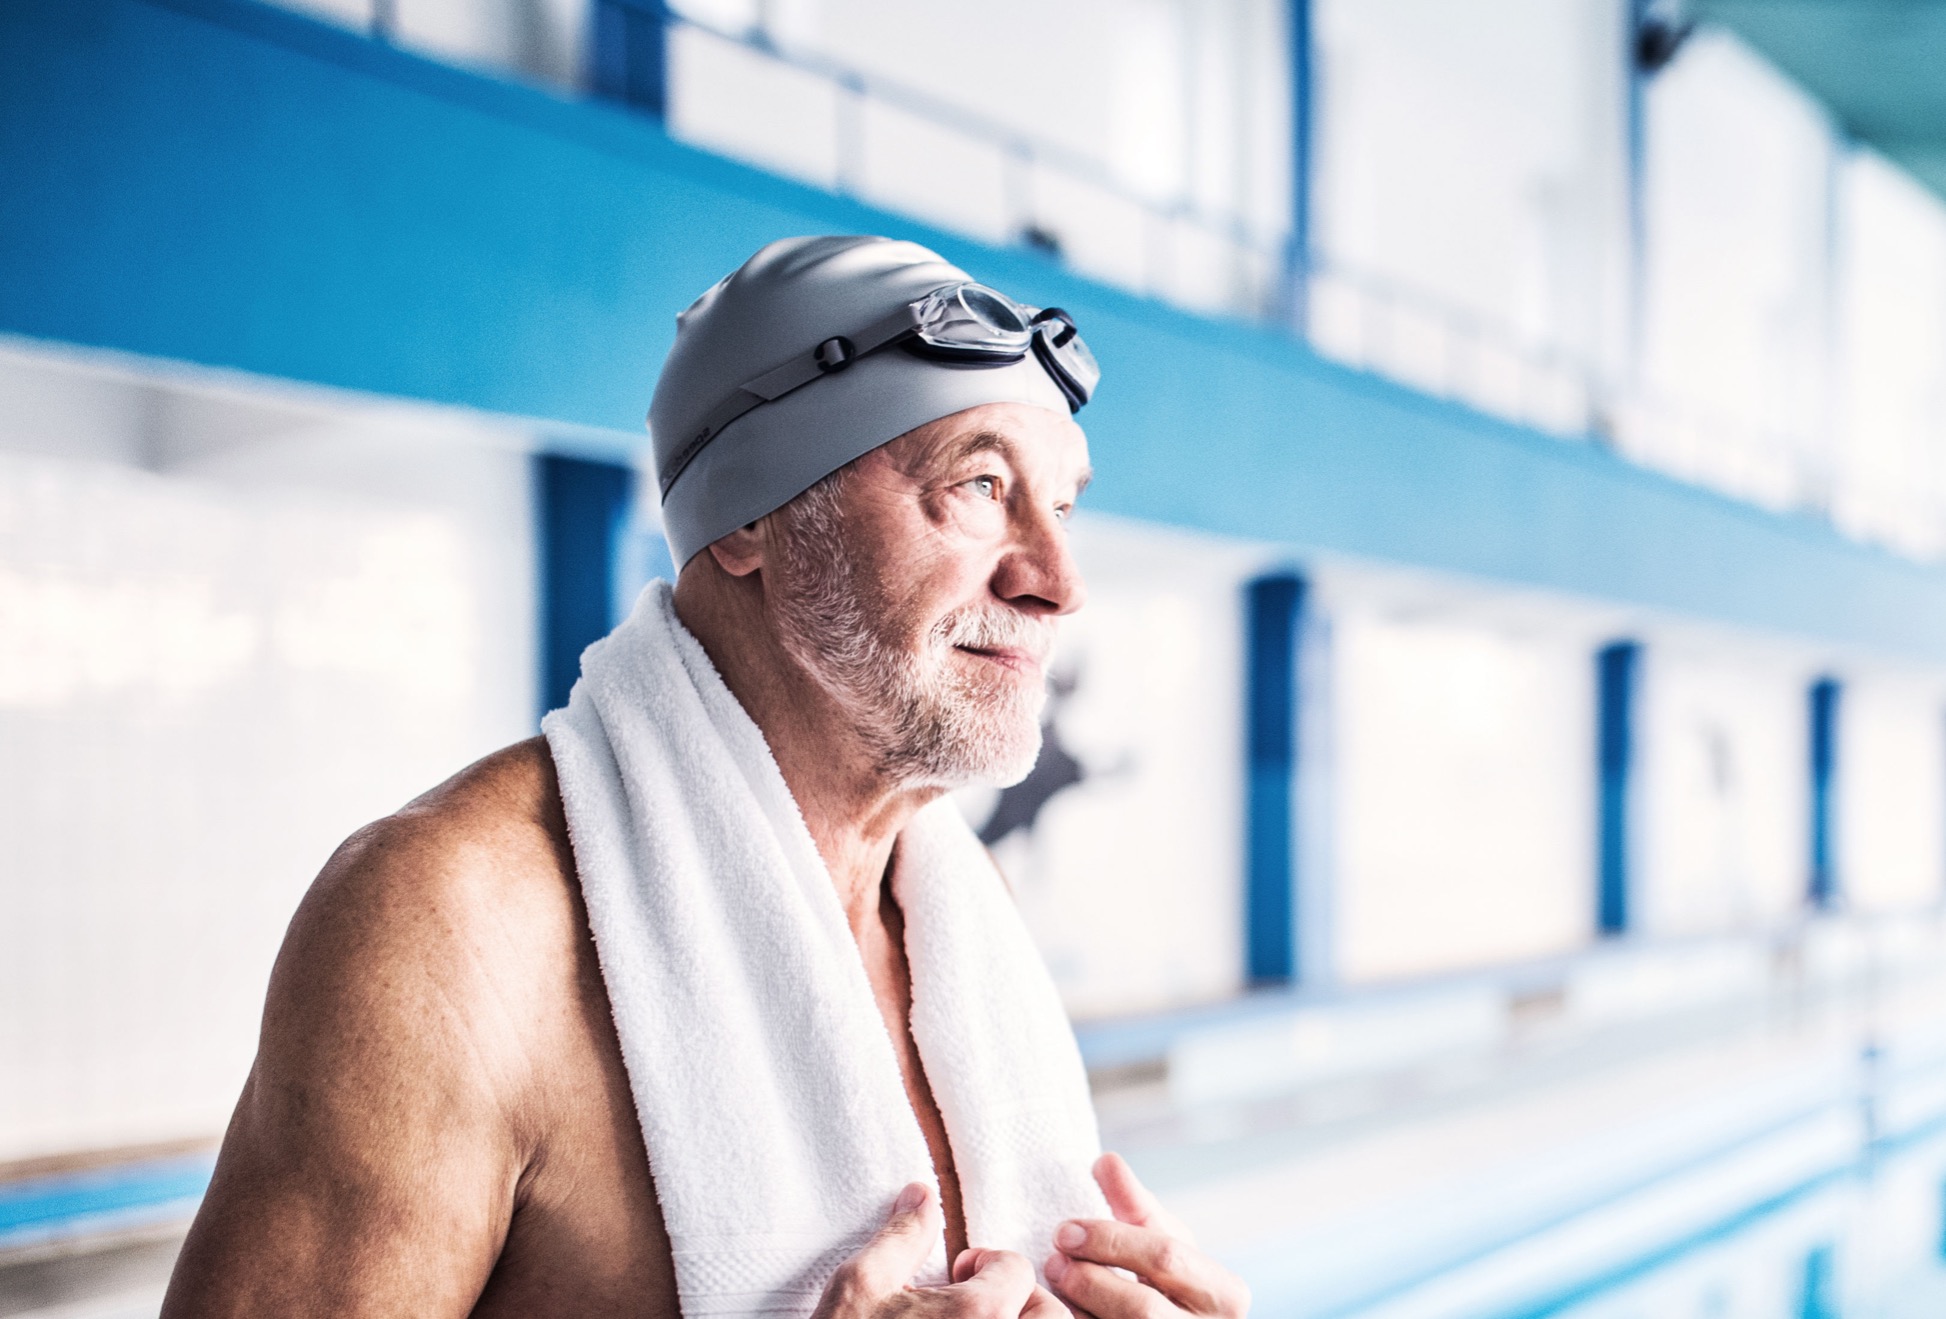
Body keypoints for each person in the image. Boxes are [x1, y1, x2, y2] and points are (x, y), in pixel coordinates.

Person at [162, 236, 1251, 1319]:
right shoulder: (453, 928)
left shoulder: (958, 919)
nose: (1057, 581)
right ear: (747, 518)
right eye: (978, 485)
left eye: (1062, 507)